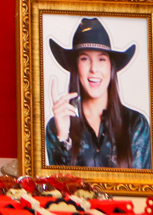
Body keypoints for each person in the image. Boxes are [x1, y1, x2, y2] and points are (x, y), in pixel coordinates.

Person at [46, 17, 152, 168]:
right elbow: (57, 180)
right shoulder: (56, 125)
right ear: (76, 67)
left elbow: (141, 181)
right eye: (84, 59)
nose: (94, 69)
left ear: (111, 67)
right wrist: (63, 137)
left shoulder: (136, 124)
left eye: (101, 59)